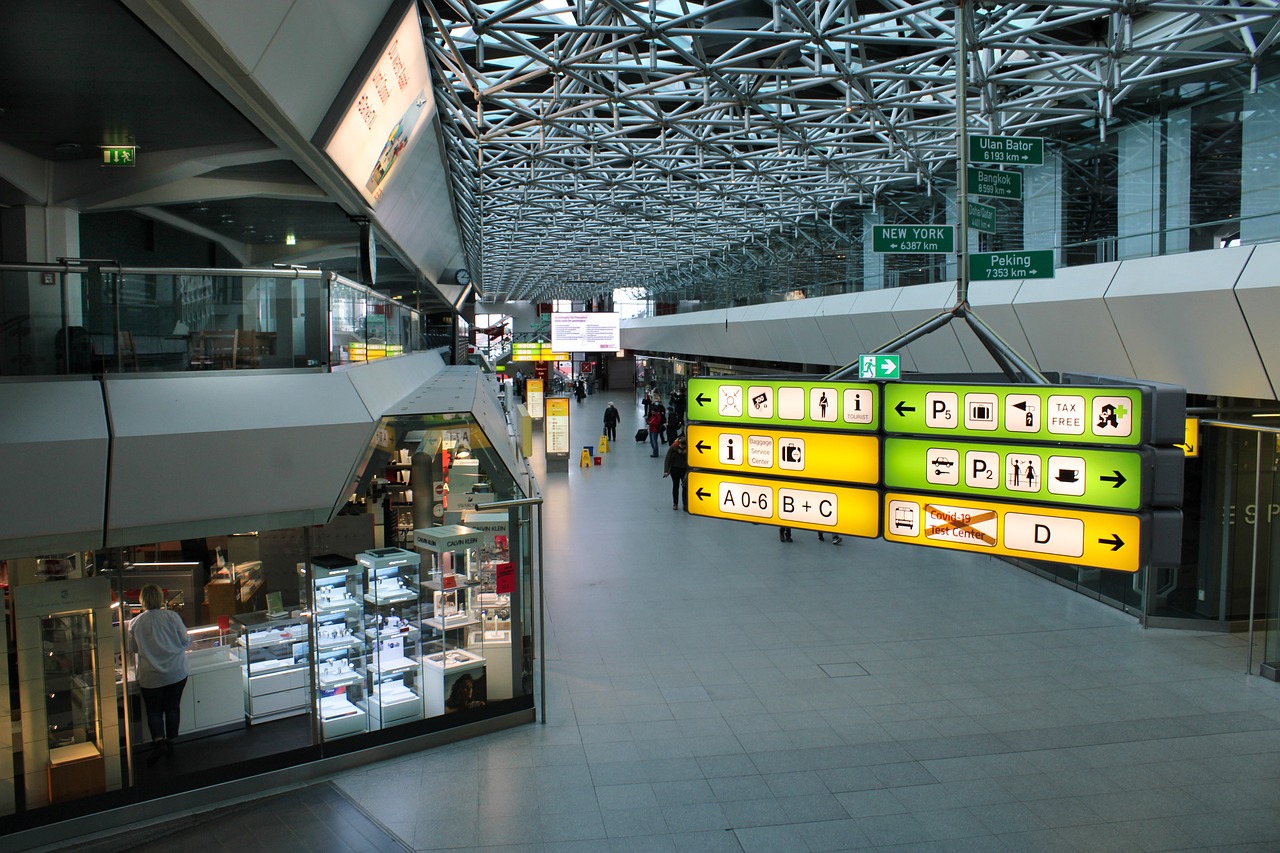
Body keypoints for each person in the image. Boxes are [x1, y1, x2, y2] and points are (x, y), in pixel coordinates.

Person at [128, 583, 191, 766]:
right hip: (176, 672)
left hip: (150, 676)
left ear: (142, 601)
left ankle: (158, 742)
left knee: (153, 711)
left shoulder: (135, 623)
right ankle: (171, 741)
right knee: (172, 707)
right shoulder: (172, 616)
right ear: (160, 599)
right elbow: (185, 641)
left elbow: (133, 649)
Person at [663, 434, 689, 510]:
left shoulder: (689, 449)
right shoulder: (673, 447)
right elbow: (667, 459)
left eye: (683, 446)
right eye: (681, 445)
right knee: (675, 486)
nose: (681, 447)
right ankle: (675, 503)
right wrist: (666, 471)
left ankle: (685, 504)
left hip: (684, 469)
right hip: (674, 469)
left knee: (685, 487)